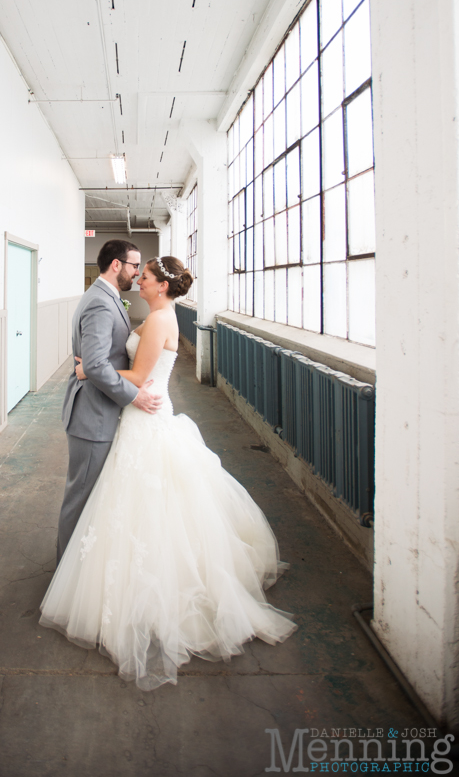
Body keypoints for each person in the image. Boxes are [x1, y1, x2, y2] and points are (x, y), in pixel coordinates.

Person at [41, 255, 297, 690]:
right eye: (138, 274)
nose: (139, 280)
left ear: (161, 286)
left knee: (149, 505)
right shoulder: (158, 313)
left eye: (146, 277)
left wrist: (88, 369)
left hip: (147, 415)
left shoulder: (160, 321)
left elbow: (140, 376)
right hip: (142, 418)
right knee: (139, 505)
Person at [56, 239, 162, 563]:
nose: (137, 274)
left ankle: (79, 570)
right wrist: (135, 396)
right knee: (81, 498)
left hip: (98, 412)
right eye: (134, 266)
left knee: (91, 498)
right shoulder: (101, 302)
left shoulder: (106, 297)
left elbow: (95, 362)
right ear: (116, 265)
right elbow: (97, 364)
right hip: (92, 416)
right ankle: (66, 573)